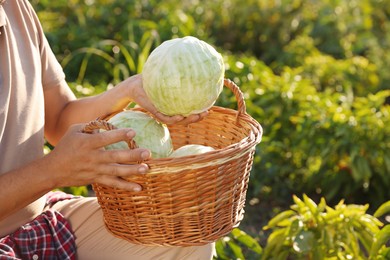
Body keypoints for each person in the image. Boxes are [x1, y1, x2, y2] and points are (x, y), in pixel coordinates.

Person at [0, 0, 214, 259]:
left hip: (35, 217)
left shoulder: (15, 8)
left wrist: (129, 90)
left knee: (185, 238)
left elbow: (58, 119)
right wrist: (52, 171)